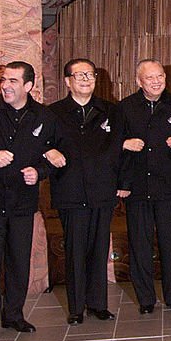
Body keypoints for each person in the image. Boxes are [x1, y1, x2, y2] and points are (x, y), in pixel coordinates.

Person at [0, 61, 62, 341]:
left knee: (19, 261)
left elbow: (56, 155)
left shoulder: (45, 117)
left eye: (13, 81)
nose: (6, 85)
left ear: (29, 86)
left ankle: (14, 316)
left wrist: (40, 172)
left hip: (22, 201)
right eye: (4, 80)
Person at [49, 59, 125, 324]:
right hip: (70, 191)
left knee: (99, 248)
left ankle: (98, 304)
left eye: (90, 74)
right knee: (75, 250)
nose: (85, 79)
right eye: (79, 75)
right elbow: (43, 144)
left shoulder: (110, 111)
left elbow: (118, 151)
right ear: (67, 81)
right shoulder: (54, 113)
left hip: (102, 191)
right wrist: (49, 150)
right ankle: (76, 307)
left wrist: (121, 183)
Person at [118, 59, 171, 314]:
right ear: (139, 81)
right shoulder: (125, 107)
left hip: (168, 186)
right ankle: (146, 299)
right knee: (140, 244)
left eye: (160, 76)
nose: (157, 81)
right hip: (136, 187)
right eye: (150, 78)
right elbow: (115, 147)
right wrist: (123, 181)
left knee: (170, 242)